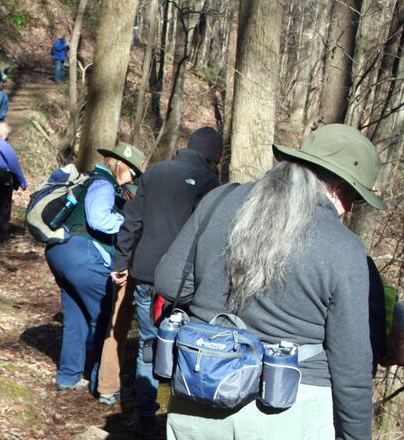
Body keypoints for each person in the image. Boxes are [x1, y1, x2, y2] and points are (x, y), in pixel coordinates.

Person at [155, 124, 385, 440]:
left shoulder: (219, 200)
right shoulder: (344, 248)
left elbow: (168, 283)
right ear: (341, 188)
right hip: (288, 409)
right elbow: (352, 370)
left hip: (199, 386)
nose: (348, 210)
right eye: (355, 200)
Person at [106, 127, 222, 436]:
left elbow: (131, 221)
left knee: (149, 339)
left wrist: (120, 263)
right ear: (213, 155)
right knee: (183, 343)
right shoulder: (209, 182)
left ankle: (145, 412)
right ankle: (175, 413)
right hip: (183, 280)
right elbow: (207, 235)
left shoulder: (154, 172)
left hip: (145, 273)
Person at [44, 142, 146, 391]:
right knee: (104, 319)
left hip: (60, 252)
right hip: (83, 256)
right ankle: (102, 383)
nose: (132, 179)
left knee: (76, 317)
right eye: (132, 173)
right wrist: (128, 223)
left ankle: (68, 377)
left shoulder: (88, 180)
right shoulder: (103, 184)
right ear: (121, 166)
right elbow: (99, 219)